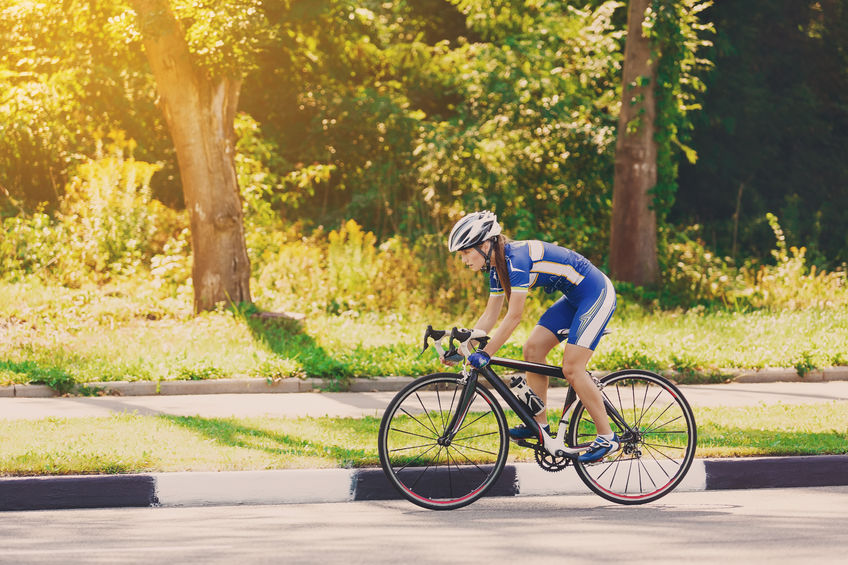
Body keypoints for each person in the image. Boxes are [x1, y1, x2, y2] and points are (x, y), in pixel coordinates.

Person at [445, 210, 618, 463]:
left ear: (484, 245)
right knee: (533, 350)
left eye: (465, 253)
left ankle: (607, 437)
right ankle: (540, 426)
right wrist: (465, 349)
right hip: (573, 299)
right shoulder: (497, 267)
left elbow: (514, 316)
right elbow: (490, 316)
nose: (463, 260)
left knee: (572, 367)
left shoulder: (515, 260)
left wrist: (487, 353)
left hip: (596, 293)